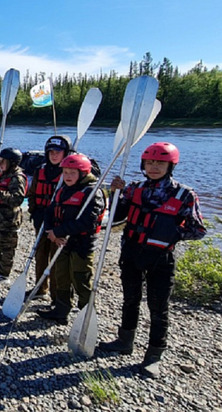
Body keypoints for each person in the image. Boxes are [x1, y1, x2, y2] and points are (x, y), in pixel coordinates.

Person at [98, 142, 206, 379]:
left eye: (160, 163)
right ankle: (124, 341)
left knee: (158, 308)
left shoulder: (184, 195)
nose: (154, 167)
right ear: (143, 165)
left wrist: (171, 232)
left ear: (170, 165)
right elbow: (115, 217)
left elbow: (198, 230)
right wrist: (114, 194)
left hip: (160, 258)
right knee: (130, 300)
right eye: (150, 162)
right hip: (131, 253)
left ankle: (154, 356)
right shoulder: (134, 189)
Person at [38, 154, 105, 324]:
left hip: (81, 245)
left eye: (72, 173)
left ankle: (87, 315)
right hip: (61, 242)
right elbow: (49, 212)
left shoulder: (92, 193)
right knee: (61, 276)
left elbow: (88, 222)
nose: (67, 176)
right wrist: (51, 232)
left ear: (83, 174)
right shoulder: (62, 190)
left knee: (81, 279)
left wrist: (59, 231)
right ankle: (61, 310)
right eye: (65, 172)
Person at [27, 135, 72, 301]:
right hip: (41, 219)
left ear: (65, 153)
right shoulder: (41, 170)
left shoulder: (69, 172)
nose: (54, 155)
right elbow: (32, 193)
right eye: (51, 152)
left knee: (56, 258)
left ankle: (56, 294)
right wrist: (34, 212)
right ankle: (40, 288)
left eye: (58, 152)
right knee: (40, 255)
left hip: (59, 223)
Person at [0, 148, 28, 285]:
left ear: (12, 163)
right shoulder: (2, 174)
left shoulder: (17, 178)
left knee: (7, 247)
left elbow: (18, 199)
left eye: (3, 161)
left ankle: (4, 274)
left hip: (10, 218)